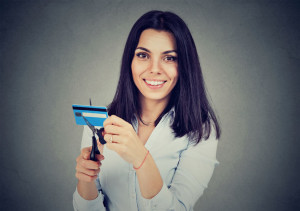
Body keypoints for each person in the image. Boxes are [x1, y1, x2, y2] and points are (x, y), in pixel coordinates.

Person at [73, 10, 221, 211]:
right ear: (130, 61)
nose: (154, 69)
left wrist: (141, 157)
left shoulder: (201, 129)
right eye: (143, 55)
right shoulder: (100, 121)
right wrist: (86, 179)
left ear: (184, 65)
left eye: (169, 58)